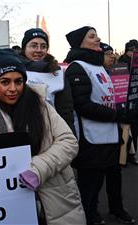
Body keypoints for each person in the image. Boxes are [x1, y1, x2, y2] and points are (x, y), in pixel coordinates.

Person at [0, 54, 86, 225]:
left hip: (56, 200)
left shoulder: (40, 105)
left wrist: (38, 169)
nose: (13, 88)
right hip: (9, 207)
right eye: (5, 82)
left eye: (18, 81)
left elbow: (68, 142)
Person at [64, 26, 136, 225]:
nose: (98, 39)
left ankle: (117, 208)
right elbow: (83, 105)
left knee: (115, 178)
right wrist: (116, 115)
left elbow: (109, 97)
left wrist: (125, 111)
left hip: (111, 134)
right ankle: (90, 214)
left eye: (97, 36)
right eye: (92, 36)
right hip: (91, 138)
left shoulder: (100, 67)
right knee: (91, 184)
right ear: (81, 42)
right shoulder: (76, 67)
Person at [20, 28, 75, 133]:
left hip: (51, 131)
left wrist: (69, 135)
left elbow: (65, 111)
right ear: (24, 48)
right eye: (34, 45)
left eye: (43, 46)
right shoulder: (15, 69)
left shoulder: (57, 72)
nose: (39, 50)